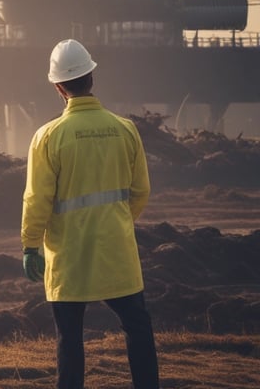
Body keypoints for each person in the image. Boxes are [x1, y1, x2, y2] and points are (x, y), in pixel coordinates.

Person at [20, 39, 160, 389]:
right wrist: (119, 221)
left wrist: (30, 245)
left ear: (57, 86)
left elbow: (37, 198)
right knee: (137, 328)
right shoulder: (125, 129)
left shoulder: (48, 136)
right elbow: (140, 191)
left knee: (70, 339)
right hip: (117, 250)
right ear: (92, 77)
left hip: (69, 256)